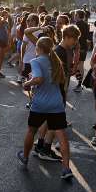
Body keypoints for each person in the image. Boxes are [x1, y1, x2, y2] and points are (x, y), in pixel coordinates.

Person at [17, 36, 75, 182]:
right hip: (56, 103)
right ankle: (66, 168)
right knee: (61, 135)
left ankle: (25, 157)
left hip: (40, 104)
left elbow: (38, 79)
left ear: (38, 48)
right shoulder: (55, 62)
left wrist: (27, 83)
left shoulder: (35, 61)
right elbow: (58, 80)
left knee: (32, 130)